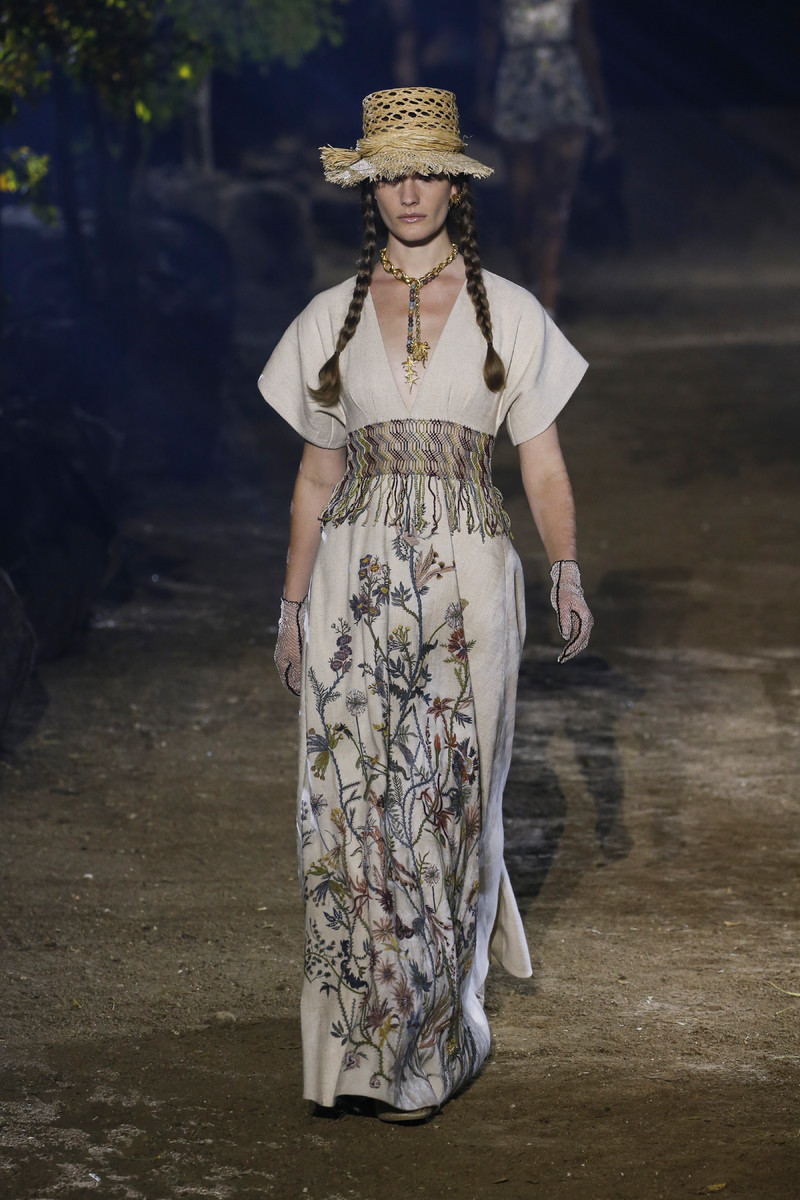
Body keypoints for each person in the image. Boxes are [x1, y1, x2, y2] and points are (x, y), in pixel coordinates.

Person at [258, 87, 593, 1123]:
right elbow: (315, 477)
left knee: (441, 809)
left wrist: (565, 568)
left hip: (468, 590)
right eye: (388, 176)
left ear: (454, 184)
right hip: (352, 588)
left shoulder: (511, 314)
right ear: (370, 190)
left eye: (425, 173)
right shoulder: (329, 316)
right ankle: (355, 1056)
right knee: (349, 813)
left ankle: (432, 1044)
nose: (408, 192)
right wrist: (289, 608)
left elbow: (542, 465)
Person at [480, 0, 614, 313]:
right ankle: (530, 285)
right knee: (523, 201)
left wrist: (601, 109)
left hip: (564, 90)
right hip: (517, 88)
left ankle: (549, 299)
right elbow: (487, 41)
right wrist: (484, 94)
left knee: (556, 202)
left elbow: (585, 42)